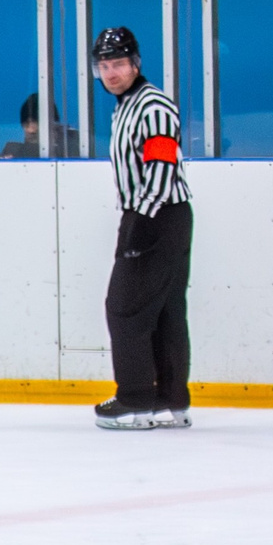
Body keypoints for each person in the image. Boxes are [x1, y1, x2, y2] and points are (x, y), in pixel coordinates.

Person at [90, 27, 194, 429]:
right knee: (165, 311)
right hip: (161, 215)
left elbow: (162, 163)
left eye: (118, 64)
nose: (111, 73)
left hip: (157, 214)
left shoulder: (152, 105)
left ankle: (134, 399)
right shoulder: (126, 106)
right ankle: (169, 401)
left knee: (125, 308)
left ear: (136, 64)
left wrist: (141, 219)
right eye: (104, 66)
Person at [0, 93, 77, 159]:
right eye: (26, 123)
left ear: (53, 123)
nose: (30, 130)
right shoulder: (13, 150)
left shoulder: (73, 145)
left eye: (36, 121)